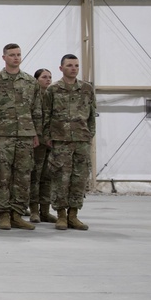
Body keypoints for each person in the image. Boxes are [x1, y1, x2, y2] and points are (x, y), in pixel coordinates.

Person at [0, 44, 43, 230]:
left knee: (23, 176)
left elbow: (37, 110)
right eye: (12, 55)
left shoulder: (30, 82)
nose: (16, 58)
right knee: (2, 176)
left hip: (25, 135)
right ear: (4, 57)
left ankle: (17, 213)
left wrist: (36, 133)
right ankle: (4, 214)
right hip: (1, 135)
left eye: (18, 55)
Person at [44, 55, 96, 231]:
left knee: (79, 179)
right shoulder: (53, 90)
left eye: (76, 65)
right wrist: (47, 137)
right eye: (69, 65)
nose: (73, 68)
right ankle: (61, 215)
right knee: (60, 178)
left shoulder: (87, 89)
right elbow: (46, 115)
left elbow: (91, 116)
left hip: (81, 141)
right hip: (61, 141)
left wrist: (89, 136)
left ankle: (73, 215)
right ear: (61, 68)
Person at [29, 68, 57, 224]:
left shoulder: (53, 95)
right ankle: (34, 210)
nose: (48, 80)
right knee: (35, 176)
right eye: (44, 77)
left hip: (51, 141)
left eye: (50, 77)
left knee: (47, 177)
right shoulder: (33, 96)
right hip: (37, 142)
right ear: (36, 79)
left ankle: (45, 211)